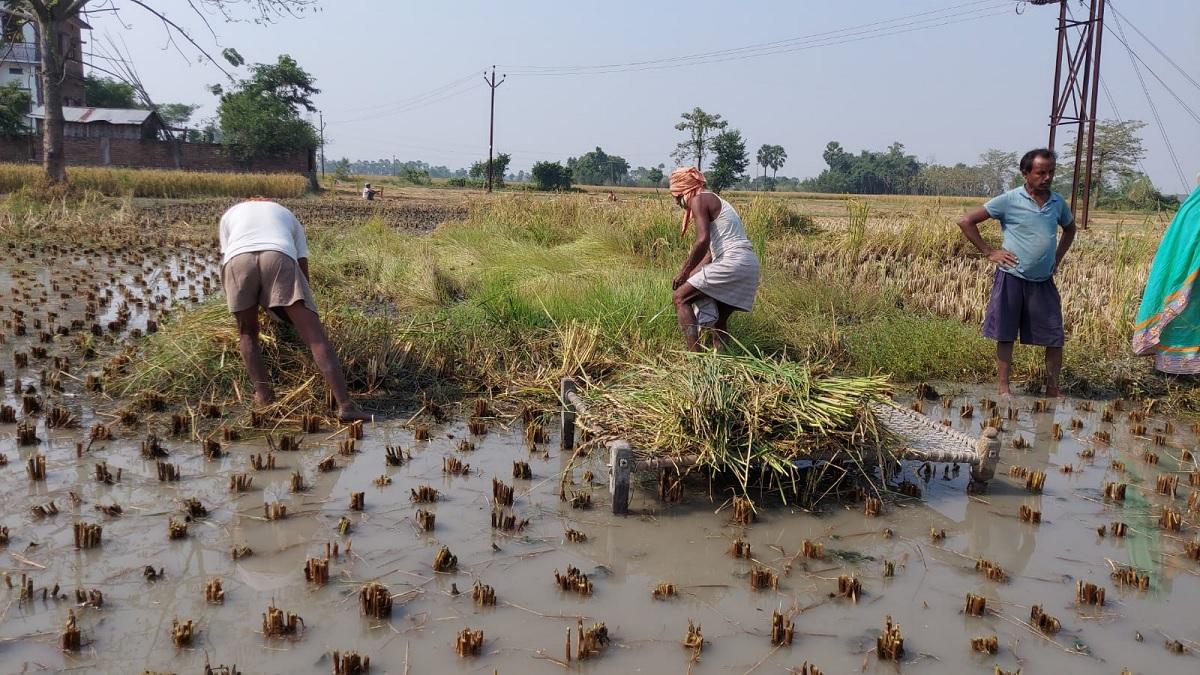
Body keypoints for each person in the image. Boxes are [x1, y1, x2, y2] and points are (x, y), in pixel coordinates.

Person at [219, 199, 369, 421]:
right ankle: (346, 407)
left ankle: (264, 397)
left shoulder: (230, 214)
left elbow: (228, 255)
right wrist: (301, 307)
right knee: (315, 337)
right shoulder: (288, 215)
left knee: (247, 333)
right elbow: (301, 267)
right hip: (278, 256)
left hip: (237, 260)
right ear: (268, 202)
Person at [958, 148, 1076, 397]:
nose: (1047, 178)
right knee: (1005, 333)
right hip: (1012, 276)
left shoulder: (1057, 203)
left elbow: (1070, 229)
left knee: (1054, 336)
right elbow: (966, 221)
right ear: (1026, 173)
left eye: (1051, 172)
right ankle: (1004, 388)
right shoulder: (1009, 200)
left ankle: (1053, 388)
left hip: (1043, 280)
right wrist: (990, 252)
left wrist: (1057, 257)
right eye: (1041, 172)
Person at [668, 167, 761, 351]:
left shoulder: (698, 199)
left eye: (677, 197)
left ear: (684, 191)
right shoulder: (714, 200)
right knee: (719, 321)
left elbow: (703, 240)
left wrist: (685, 272)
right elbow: (711, 254)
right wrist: (692, 275)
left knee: (680, 298)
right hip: (747, 264)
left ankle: (694, 358)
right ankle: (721, 362)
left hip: (733, 261)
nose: (678, 203)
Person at [1131, 176, 1200, 374]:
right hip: (1191, 280)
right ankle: (1182, 369)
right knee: (1186, 312)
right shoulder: (1193, 210)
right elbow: (1185, 246)